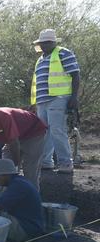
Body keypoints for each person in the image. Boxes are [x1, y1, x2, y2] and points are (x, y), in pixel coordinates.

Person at [30, 29, 80, 174]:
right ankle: (46, 162)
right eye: (41, 43)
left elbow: (75, 75)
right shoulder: (40, 59)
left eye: (46, 43)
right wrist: (34, 102)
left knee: (57, 130)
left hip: (58, 98)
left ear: (53, 42)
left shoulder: (63, 53)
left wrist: (74, 97)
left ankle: (65, 163)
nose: (43, 45)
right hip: (42, 101)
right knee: (44, 132)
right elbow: (36, 83)